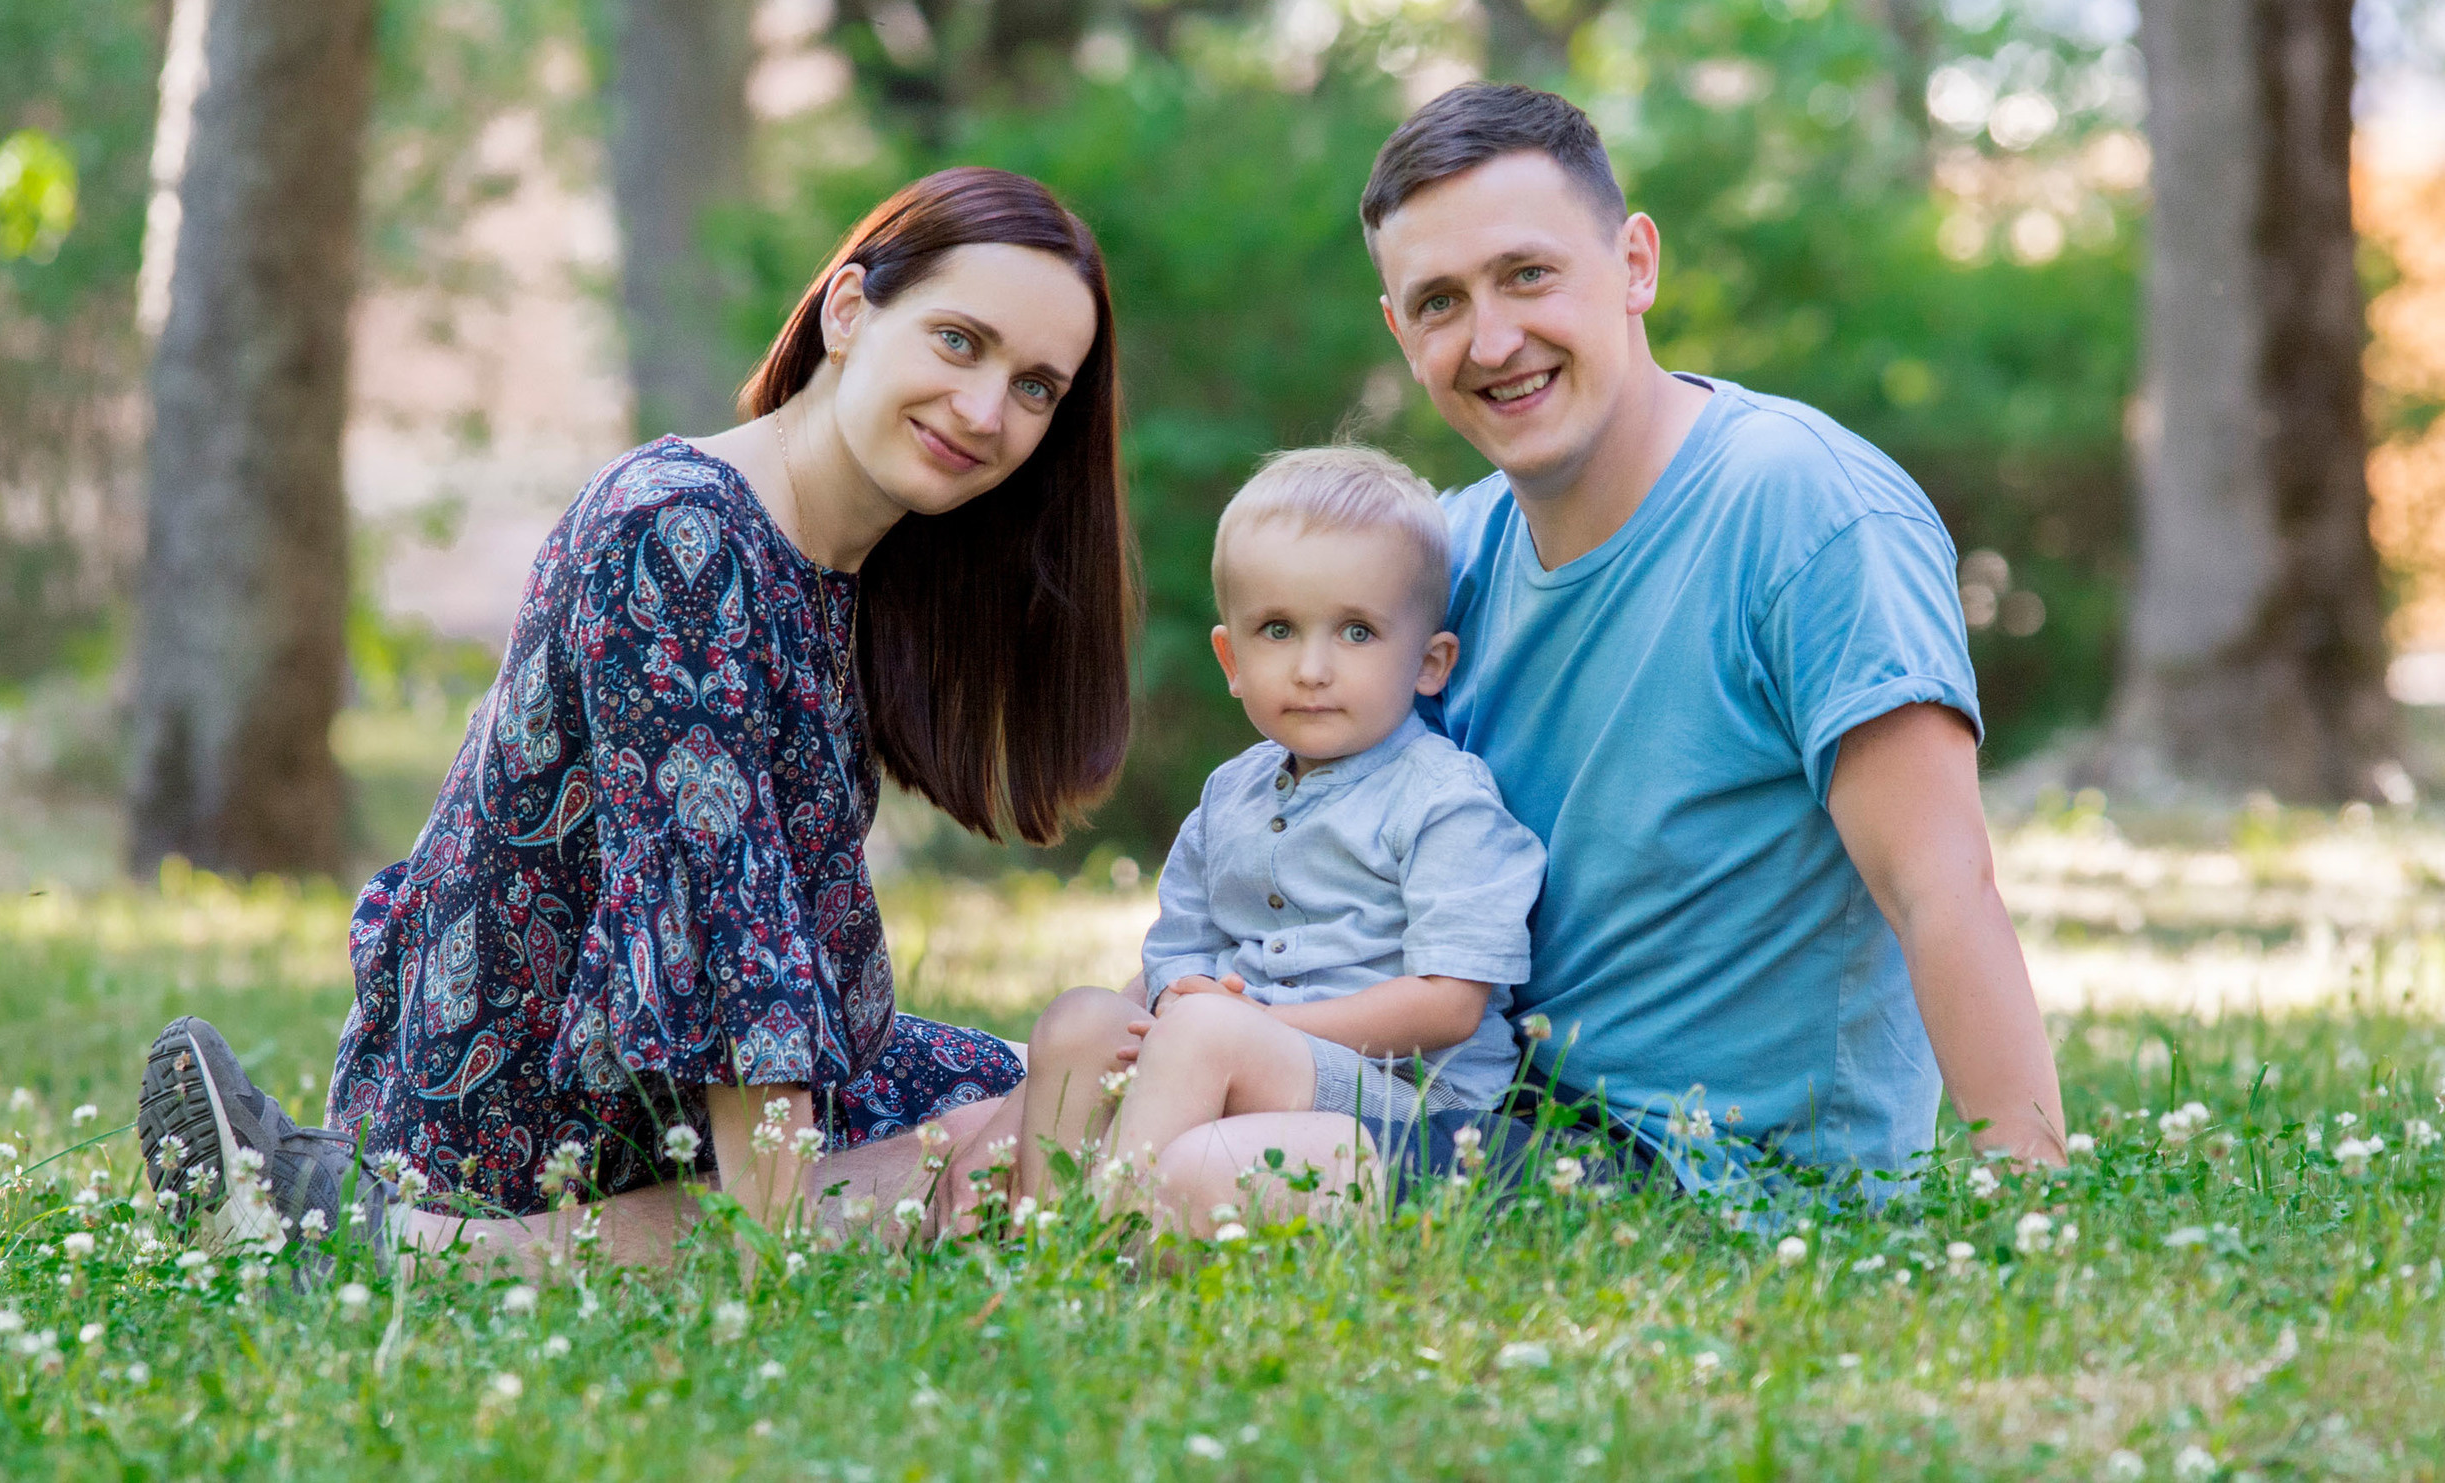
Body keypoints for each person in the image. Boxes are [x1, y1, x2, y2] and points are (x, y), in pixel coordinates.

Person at [1092, 81, 2068, 1221]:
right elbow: (1297, 845)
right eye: (1440, 302)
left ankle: (1077, 1279)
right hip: (1484, 1115)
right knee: (1056, 1097)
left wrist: (2024, 1220)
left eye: (1528, 275)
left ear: (1635, 265)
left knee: (1202, 1179)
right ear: (1401, 333)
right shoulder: (1440, 558)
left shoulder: (1805, 512)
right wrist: (1150, 1033)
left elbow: (1940, 887)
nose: (1493, 339)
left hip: (1713, 1172)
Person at [135, 166, 1136, 1269]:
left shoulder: (851, 563)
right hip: (531, 1102)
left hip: (675, 1079)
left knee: (1083, 1085)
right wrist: (785, 1242)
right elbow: (728, 946)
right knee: (999, 1145)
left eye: (1036, 388)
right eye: (958, 342)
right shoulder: (681, 534)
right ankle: (398, 1245)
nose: (986, 410)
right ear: (848, 312)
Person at [1018, 447, 1543, 1226]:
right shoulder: (1231, 793)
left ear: (1430, 663)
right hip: (1236, 1044)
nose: (1313, 667)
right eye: (1278, 630)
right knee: (1078, 1020)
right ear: (1231, 658)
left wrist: (1249, 1025)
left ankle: (1108, 1253)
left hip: (1407, 1096)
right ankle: (1039, 1234)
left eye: (1358, 632)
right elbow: (1178, 952)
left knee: (1201, 1034)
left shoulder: (1443, 798)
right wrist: (1182, 992)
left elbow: (1450, 1004)